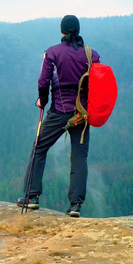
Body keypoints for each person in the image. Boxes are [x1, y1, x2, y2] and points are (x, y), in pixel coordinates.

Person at [17, 15, 100, 217]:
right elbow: (96, 84)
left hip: (59, 112)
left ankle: (32, 197)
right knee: (80, 156)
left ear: (62, 31)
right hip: (82, 113)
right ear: (78, 31)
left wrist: (41, 101)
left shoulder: (52, 53)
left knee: (39, 148)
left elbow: (43, 81)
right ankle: (75, 206)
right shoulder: (92, 55)